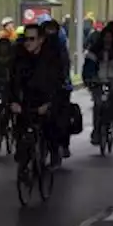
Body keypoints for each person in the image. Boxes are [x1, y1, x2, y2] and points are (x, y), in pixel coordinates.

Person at [8, 23, 66, 163]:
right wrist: (13, 101)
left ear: (41, 40)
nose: (28, 43)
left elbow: (57, 83)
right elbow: (13, 81)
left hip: (46, 99)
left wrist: (49, 103)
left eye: (32, 39)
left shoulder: (51, 58)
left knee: (51, 124)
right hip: (27, 100)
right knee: (20, 126)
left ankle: (53, 151)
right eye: (26, 39)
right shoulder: (19, 57)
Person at [82, 21, 113, 143]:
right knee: (98, 104)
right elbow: (89, 65)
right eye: (106, 37)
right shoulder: (95, 50)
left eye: (110, 37)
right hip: (98, 78)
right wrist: (89, 77)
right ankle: (96, 130)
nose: (107, 40)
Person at [40, 15, 74, 158]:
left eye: (52, 29)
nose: (50, 32)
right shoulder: (36, 47)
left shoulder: (60, 48)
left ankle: (62, 145)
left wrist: (64, 82)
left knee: (61, 116)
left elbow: (65, 66)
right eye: (47, 29)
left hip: (57, 86)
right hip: (38, 86)